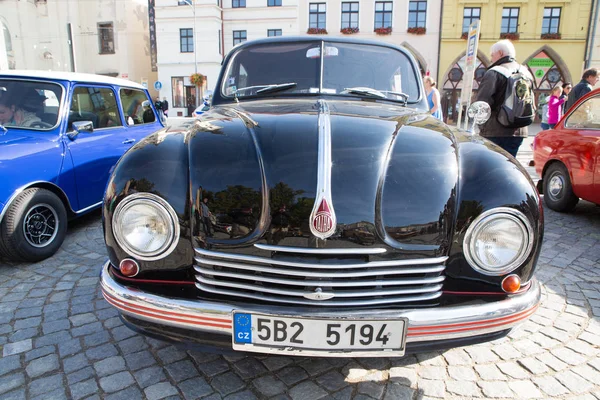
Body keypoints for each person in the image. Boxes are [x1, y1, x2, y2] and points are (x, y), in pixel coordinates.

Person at [475, 39, 532, 158]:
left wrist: (479, 127)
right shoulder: (526, 73)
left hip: (495, 130)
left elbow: (483, 103)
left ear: (500, 53)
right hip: (519, 130)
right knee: (511, 165)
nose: (491, 59)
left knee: (492, 166)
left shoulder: (495, 72)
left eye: (492, 55)